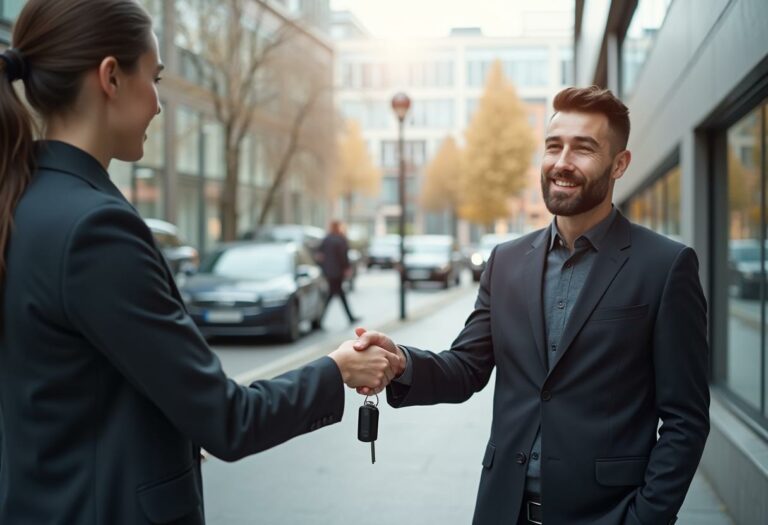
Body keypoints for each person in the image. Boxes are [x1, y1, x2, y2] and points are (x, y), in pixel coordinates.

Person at [0, 1, 396, 523]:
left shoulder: (22, 203)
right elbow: (228, 420)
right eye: (155, 77)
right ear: (111, 78)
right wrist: (336, 369)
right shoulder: (96, 230)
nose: (160, 104)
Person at [354, 86, 710, 525]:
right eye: (553, 146)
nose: (562, 162)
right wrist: (400, 361)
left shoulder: (666, 266)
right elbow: (466, 367)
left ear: (620, 164)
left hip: (608, 515)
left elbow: (685, 420)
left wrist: (644, 519)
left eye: (583, 148)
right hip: (503, 510)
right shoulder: (506, 261)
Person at [317, 220, 360, 325]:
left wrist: (324, 267)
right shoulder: (341, 239)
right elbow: (343, 256)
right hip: (338, 272)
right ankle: (349, 317)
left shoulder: (326, 239)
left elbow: (319, 256)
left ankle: (321, 320)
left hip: (329, 272)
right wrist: (346, 268)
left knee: (335, 293)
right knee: (335, 293)